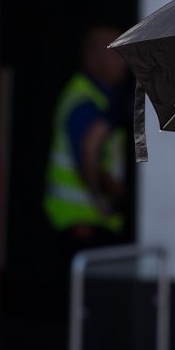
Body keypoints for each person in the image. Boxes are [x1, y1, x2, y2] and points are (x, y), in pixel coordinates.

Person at [44, 25, 130, 258]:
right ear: (93, 57)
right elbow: (89, 149)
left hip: (89, 226)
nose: (124, 60)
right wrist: (112, 196)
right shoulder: (84, 102)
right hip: (83, 227)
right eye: (115, 52)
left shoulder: (103, 99)